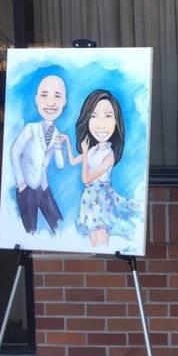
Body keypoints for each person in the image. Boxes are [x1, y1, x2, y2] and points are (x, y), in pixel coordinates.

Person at [64, 89, 138, 248]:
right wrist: (66, 142)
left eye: (108, 116)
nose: (101, 124)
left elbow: (86, 179)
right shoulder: (92, 149)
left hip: (102, 198)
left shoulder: (109, 155)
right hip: (89, 199)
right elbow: (72, 161)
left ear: (116, 121)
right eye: (94, 116)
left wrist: (84, 153)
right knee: (93, 235)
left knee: (101, 236)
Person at [9, 74, 67, 233]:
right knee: (30, 230)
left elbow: (61, 165)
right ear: (36, 100)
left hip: (43, 186)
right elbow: (14, 152)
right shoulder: (30, 129)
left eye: (57, 95)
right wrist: (20, 181)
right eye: (44, 95)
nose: (51, 102)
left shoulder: (57, 133)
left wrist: (58, 147)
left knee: (57, 224)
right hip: (26, 188)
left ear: (64, 102)